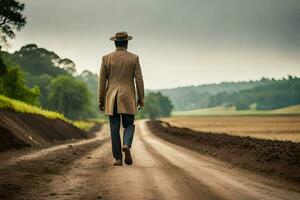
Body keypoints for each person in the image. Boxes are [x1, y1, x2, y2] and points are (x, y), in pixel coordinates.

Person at [98, 31, 145, 166]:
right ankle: (126, 145)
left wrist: (101, 100)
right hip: (128, 98)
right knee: (129, 124)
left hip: (112, 98)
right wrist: (141, 98)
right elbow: (139, 80)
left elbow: (102, 82)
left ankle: (118, 158)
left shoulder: (106, 58)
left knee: (114, 127)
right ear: (127, 43)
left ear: (115, 42)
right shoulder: (134, 58)